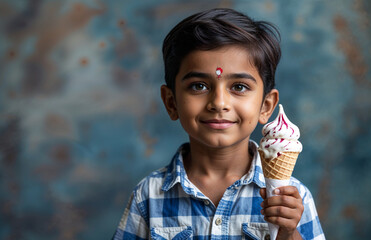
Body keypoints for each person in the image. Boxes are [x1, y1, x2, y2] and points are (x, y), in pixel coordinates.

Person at [113, 8, 325, 240]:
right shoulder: (148, 197)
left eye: (239, 87)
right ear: (171, 102)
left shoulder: (292, 199)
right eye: (198, 86)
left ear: (266, 106)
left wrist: (289, 233)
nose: (219, 103)